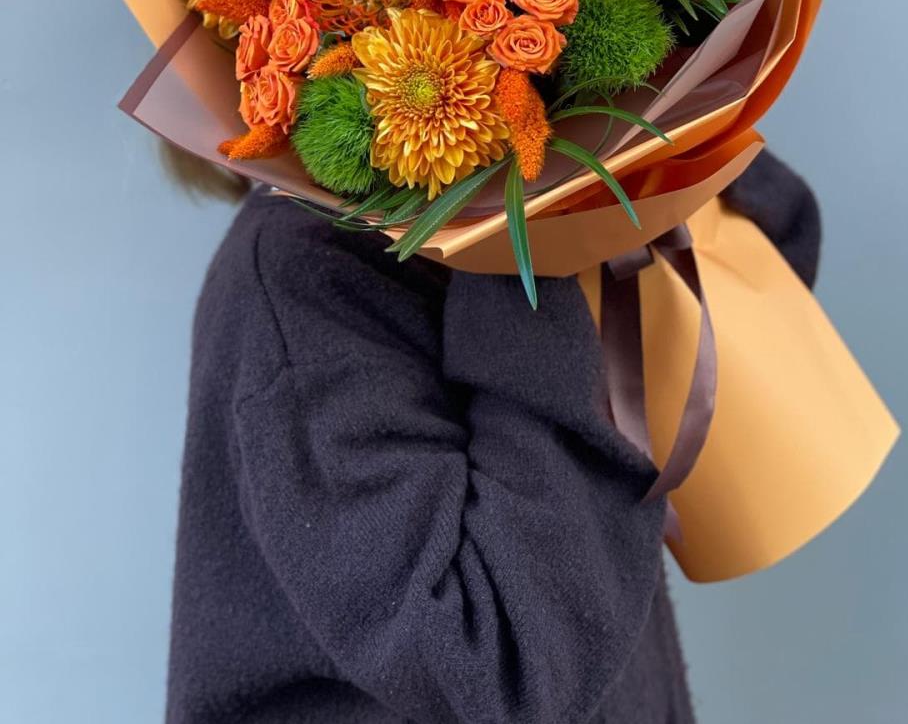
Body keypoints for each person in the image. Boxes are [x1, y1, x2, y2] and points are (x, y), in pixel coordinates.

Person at [165, 150, 820, 723]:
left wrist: (644, 149)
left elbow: (774, 250)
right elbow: (501, 665)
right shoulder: (302, 279)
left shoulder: (511, 199)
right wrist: (525, 246)